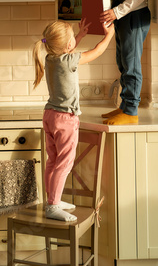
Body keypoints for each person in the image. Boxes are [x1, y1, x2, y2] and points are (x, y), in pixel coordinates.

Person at [33, 18, 114, 222]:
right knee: (65, 163)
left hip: (50, 116)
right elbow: (96, 52)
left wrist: (78, 36)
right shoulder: (68, 60)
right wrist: (109, 36)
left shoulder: (50, 58)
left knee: (53, 161)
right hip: (65, 119)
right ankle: (53, 206)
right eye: (71, 40)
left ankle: (53, 200)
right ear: (68, 45)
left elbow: (65, 50)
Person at [84, 0, 151, 126]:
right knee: (123, 62)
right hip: (122, 17)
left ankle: (131, 112)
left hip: (133, 17)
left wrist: (117, 12)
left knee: (131, 65)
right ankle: (124, 107)